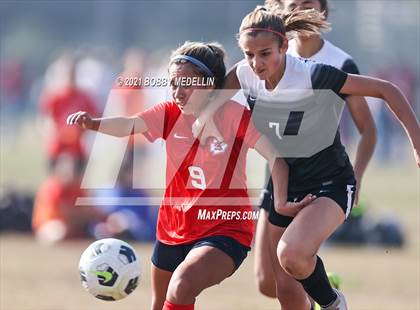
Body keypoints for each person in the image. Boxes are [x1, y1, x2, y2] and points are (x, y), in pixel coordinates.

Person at [192, 7, 419, 310]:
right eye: (249, 54)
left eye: (265, 54)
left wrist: (416, 142)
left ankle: (333, 303)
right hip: (285, 182)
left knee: (291, 255)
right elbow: (208, 112)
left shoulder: (313, 74)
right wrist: (204, 124)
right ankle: (320, 286)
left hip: (330, 183)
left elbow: (386, 89)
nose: (256, 64)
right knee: (280, 285)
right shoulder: (243, 74)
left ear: (284, 46)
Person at [67, 41, 311, 310]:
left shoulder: (234, 115)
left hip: (224, 229)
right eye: (173, 83)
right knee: (162, 303)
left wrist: (281, 201)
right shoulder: (169, 113)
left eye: (186, 83)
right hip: (172, 228)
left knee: (182, 285)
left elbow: (277, 158)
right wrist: (92, 124)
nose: (177, 92)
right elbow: (129, 124)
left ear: (209, 84)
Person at [253, 0, 377, 300]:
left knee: (290, 266)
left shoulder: (339, 63)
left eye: (308, 3)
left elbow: (368, 129)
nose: (301, 9)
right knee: (265, 283)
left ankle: (323, 295)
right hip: (279, 174)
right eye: (294, 4)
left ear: (323, 9)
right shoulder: (271, 54)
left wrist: (358, 176)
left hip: (321, 176)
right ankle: (321, 285)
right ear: (280, 9)